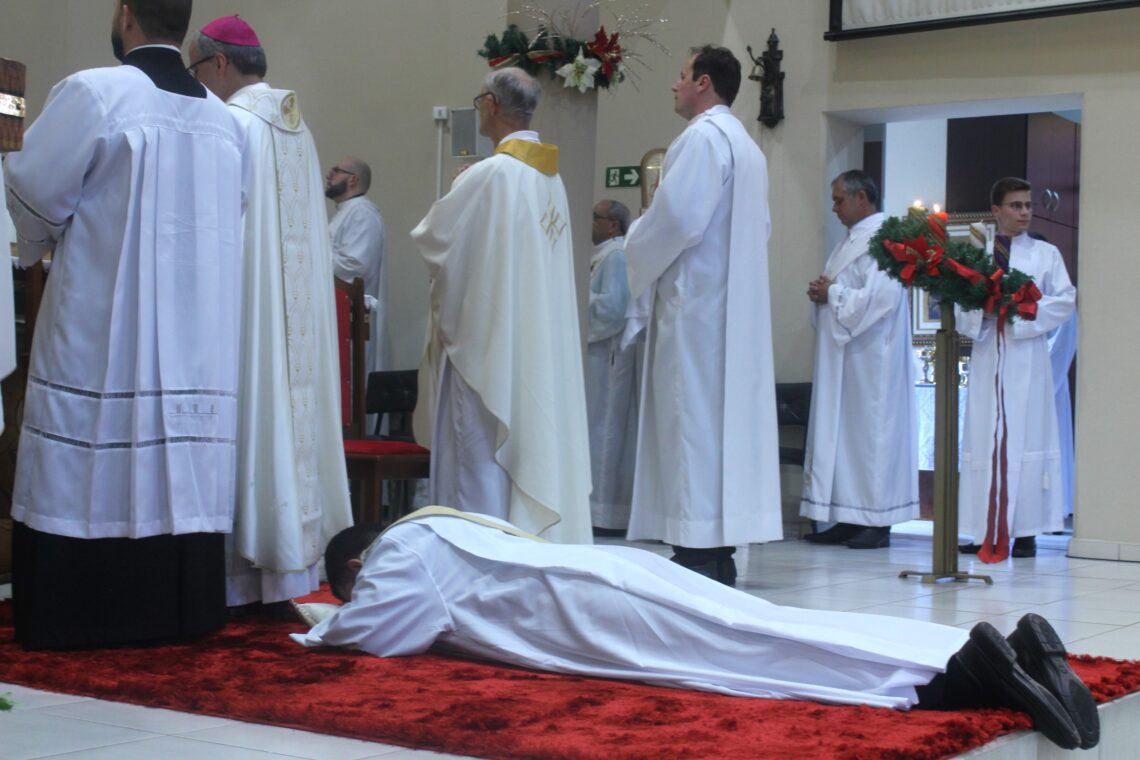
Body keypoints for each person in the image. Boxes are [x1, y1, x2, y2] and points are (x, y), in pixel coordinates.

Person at [295, 508, 1100, 751]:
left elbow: (386, 629)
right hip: (613, 573)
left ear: (360, 559)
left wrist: (318, 630)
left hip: (582, 610)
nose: (353, 593)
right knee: (763, 622)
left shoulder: (398, 550)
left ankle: (957, 680)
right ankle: (1010, 655)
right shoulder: (446, 526)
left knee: (744, 655)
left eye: (348, 582)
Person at [2, 0, 246, 648]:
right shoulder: (228, 125)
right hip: (198, 345)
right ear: (185, 25)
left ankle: (80, 613)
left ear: (125, 14)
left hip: (104, 326)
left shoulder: (95, 92)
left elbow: (31, 191)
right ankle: (181, 612)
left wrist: (37, 239)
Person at [189, 15, 352, 606]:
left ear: (221, 65)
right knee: (290, 417)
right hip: (295, 317)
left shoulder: (229, 123)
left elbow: (213, 226)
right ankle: (291, 568)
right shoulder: (296, 127)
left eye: (198, 69)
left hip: (248, 315)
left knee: (256, 413)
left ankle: (240, 575)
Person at [410, 68, 591, 544]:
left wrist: (456, 190)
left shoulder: (492, 174)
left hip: (488, 351)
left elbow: (435, 239)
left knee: (478, 457)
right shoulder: (550, 180)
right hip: (534, 345)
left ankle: (477, 558)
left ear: (491, 105)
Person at [621, 45, 780, 585]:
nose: (674, 85)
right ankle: (718, 549)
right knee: (722, 429)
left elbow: (677, 218)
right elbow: (761, 230)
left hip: (696, 311)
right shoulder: (748, 147)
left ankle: (695, 548)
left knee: (690, 422)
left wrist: (632, 244)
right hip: (733, 313)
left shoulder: (701, 140)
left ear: (704, 83)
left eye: (681, 76)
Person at [957, 178, 1076, 562]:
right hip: (989, 352)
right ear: (996, 211)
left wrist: (1022, 314)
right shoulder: (977, 253)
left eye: (1027, 205)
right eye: (1015, 205)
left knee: (1026, 435)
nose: (1025, 212)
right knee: (984, 437)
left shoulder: (1046, 254)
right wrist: (985, 311)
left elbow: (1064, 301)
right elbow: (960, 306)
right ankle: (982, 528)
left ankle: (1024, 531)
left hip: (1027, 356)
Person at [800, 171, 918, 549]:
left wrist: (831, 293)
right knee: (843, 439)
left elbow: (880, 301)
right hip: (845, 357)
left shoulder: (888, 240)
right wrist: (825, 293)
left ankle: (876, 521)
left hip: (873, 358)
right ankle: (848, 515)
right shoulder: (851, 241)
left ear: (863, 197)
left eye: (839, 200)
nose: (834, 208)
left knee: (870, 440)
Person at [586, 199, 638, 533]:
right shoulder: (601, 255)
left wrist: (578, 300)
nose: (590, 223)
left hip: (607, 358)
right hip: (593, 355)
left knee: (604, 429)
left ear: (613, 225)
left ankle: (605, 512)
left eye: (595, 217)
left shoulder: (616, 256)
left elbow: (615, 309)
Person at [327, 155, 390, 427]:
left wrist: (307, 254)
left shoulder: (361, 213)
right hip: (335, 315)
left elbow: (355, 266)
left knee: (348, 391)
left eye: (335, 171)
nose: (329, 176)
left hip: (351, 319)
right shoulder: (347, 213)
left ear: (353, 180)